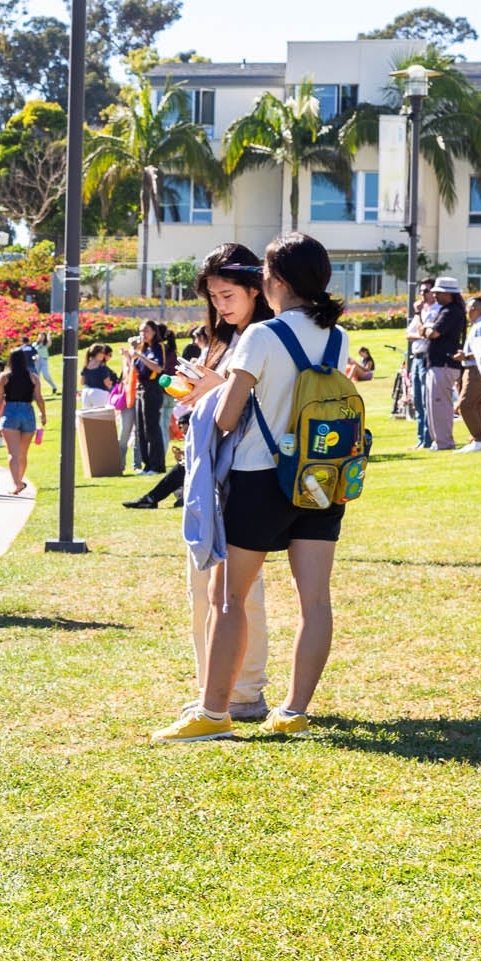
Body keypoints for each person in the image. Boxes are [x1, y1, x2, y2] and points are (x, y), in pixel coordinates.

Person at [155, 233, 349, 743]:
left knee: (229, 598)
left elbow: (226, 415)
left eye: (265, 272)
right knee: (316, 602)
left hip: (261, 477)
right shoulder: (336, 336)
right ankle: (294, 710)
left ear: (280, 281)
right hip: (320, 477)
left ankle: (215, 713)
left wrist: (204, 396)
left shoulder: (259, 338)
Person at [171, 243, 275, 721]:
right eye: (213, 296)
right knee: (204, 588)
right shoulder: (224, 338)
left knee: (237, 591)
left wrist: (215, 388)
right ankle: (215, 686)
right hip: (209, 473)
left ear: (257, 288)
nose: (220, 304)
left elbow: (259, 406)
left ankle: (246, 691)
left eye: (228, 293)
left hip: (245, 472)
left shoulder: (263, 336)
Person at [0, 345, 48, 496]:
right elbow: (39, 398)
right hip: (27, 412)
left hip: (10, 412)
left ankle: (16, 483)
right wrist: (43, 414)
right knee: (23, 453)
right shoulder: (33, 377)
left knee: (13, 453)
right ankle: (19, 481)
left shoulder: (5, 377)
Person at [422, 275, 466, 452]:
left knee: (439, 404)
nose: (436, 296)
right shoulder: (448, 310)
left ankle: (444, 442)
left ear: (449, 294)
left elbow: (434, 333)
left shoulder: (451, 311)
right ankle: (439, 441)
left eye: (439, 293)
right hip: (439, 364)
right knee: (434, 404)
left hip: (443, 364)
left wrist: (426, 328)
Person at [130, 320, 173, 475]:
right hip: (141, 388)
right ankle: (147, 464)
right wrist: (133, 352)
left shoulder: (157, 347)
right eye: (141, 331)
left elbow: (158, 367)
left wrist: (139, 355)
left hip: (153, 388)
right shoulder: (144, 349)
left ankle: (157, 465)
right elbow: (134, 369)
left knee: (152, 428)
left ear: (154, 332)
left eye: (146, 330)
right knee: (141, 429)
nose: (143, 334)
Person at [456, 294, 481, 452]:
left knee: (465, 405)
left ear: (473, 309)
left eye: (467, 309)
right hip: (474, 369)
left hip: (476, 370)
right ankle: (477, 437)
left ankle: (479, 438)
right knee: (475, 405)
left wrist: (466, 356)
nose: (466, 312)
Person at [405, 277, 436, 447]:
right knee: (417, 399)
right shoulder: (422, 312)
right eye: (421, 291)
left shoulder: (435, 311)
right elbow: (409, 334)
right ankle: (420, 438)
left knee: (426, 398)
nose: (422, 294)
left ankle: (428, 438)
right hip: (416, 358)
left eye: (426, 291)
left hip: (426, 357)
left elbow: (427, 333)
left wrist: (417, 316)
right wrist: (420, 331)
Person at [79, 344, 118, 410]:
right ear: (98, 353)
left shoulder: (86, 366)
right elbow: (107, 383)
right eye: (103, 352)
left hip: (86, 393)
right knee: (102, 417)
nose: (103, 355)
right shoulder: (101, 366)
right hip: (99, 392)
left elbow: (82, 382)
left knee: (88, 417)